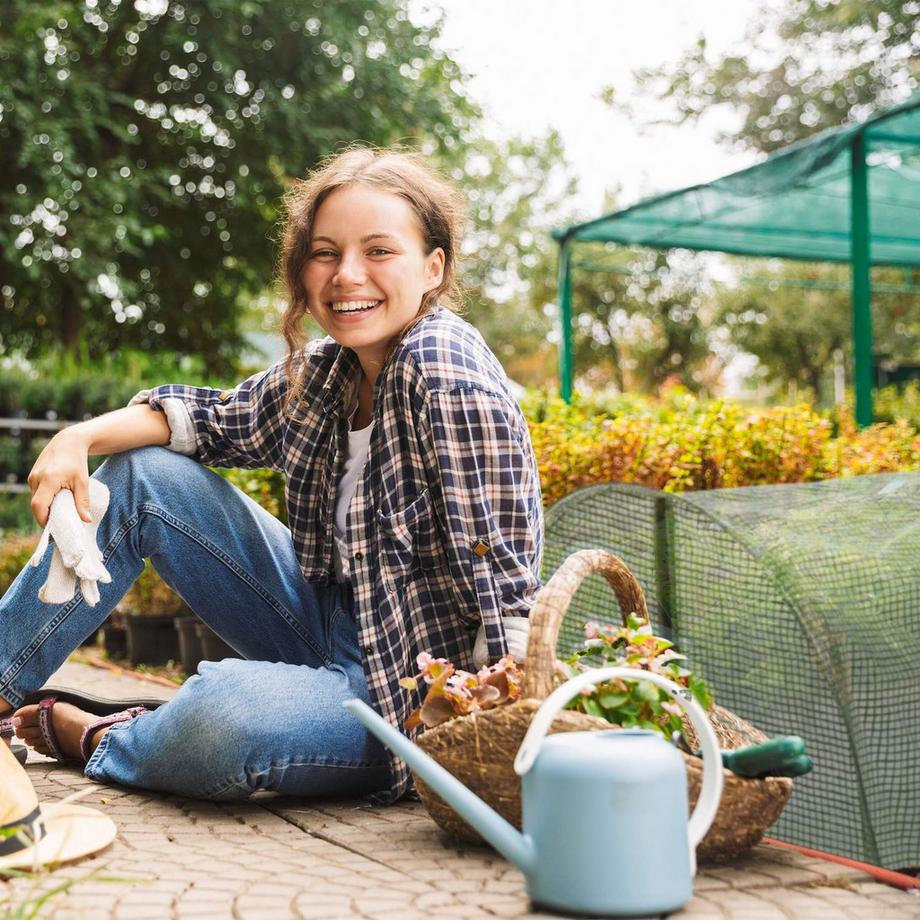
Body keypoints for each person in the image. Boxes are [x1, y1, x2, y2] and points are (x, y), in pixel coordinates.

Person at [0, 148, 544, 804]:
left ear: (432, 268)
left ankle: (97, 737)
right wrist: (75, 439)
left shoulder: (444, 370)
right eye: (325, 252)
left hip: (405, 692)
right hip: (325, 620)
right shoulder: (326, 373)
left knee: (228, 714)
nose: (348, 275)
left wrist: (497, 741)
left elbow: (506, 590)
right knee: (143, 475)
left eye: (378, 251)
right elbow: (201, 418)